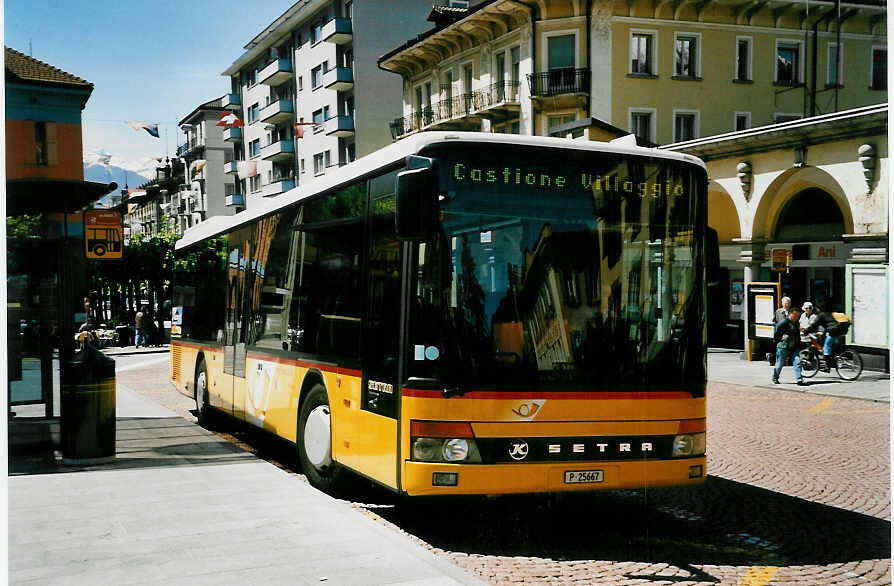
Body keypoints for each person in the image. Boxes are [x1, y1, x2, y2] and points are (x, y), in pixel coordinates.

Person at [773, 306, 804, 385]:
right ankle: (775, 377)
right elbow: (776, 332)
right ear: (790, 314)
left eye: (798, 316)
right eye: (795, 315)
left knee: (797, 362)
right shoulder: (784, 322)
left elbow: (797, 334)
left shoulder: (796, 323)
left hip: (794, 346)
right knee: (779, 364)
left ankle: (799, 379)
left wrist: (799, 343)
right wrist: (778, 341)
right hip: (783, 346)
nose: (797, 317)